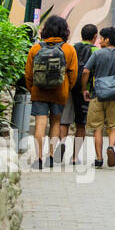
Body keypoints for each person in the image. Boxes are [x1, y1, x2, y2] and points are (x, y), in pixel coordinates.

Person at [25, 15, 79, 170]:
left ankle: (38, 158)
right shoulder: (69, 49)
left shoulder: (36, 48)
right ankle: (50, 156)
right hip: (59, 93)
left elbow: (28, 74)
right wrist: (66, 89)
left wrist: (33, 89)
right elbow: (73, 74)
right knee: (55, 123)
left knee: (40, 124)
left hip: (39, 92)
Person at [81, 26, 115, 169]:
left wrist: (83, 89)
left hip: (98, 95)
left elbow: (86, 71)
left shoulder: (97, 54)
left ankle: (99, 158)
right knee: (114, 126)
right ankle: (111, 146)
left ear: (107, 39)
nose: (99, 41)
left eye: (101, 38)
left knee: (97, 128)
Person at [60, 23, 98, 166]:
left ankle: (62, 143)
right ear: (95, 37)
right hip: (85, 92)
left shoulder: (72, 48)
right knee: (81, 124)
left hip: (69, 89)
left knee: (64, 121)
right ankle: (75, 157)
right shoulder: (96, 51)